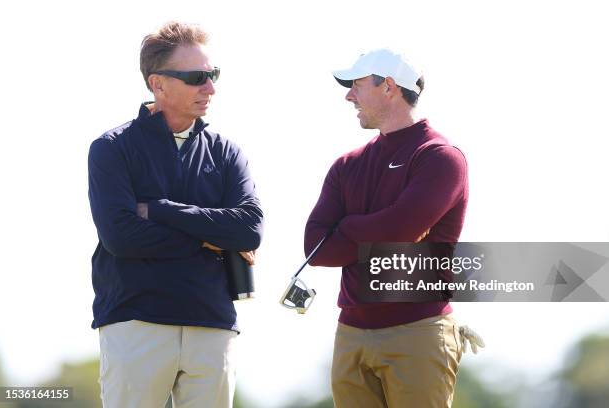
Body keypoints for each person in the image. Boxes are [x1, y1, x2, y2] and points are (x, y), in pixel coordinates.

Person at [88, 21, 263, 408]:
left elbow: (249, 230)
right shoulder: (111, 148)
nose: (210, 87)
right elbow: (121, 236)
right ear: (158, 84)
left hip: (212, 324)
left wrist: (161, 210)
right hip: (135, 322)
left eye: (212, 74)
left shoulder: (227, 151)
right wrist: (208, 236)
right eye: (197, 77)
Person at [304, 48, 482, 407]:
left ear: (388, 87)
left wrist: (347, 226)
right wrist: (375, 230)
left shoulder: (440, 157)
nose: (348, 95)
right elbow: (316, 249)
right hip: (351, 332)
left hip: (418, 330)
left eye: (356, 85)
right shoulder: (347, 165)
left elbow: (398, 233)